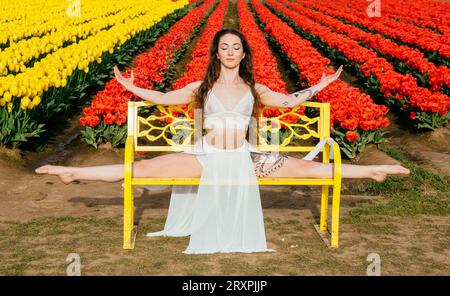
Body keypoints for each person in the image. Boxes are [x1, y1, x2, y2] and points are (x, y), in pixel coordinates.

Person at [35, 28, 410, 254]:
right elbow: (163, 99)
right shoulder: (201, 86)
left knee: (310, 167)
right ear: (217, 53)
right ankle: (70, 171)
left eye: (236, 47)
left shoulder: (255, 87)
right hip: (206, 156)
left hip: (247, 158)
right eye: (225, 47)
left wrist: (321, 85)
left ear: (244, 53)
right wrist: (130, 85)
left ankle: (373, 170)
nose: (230, 52)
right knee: (141, 168)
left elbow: (288, 100)